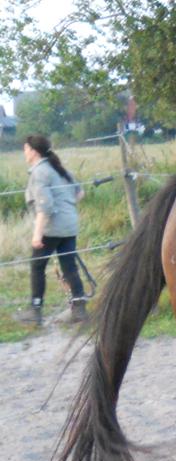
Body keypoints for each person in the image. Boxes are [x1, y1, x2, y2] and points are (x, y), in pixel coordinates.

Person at [17, 134, 87, 326]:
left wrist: (37, 234)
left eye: (25, 149)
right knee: (69, 267)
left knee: (37, 266)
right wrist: (66, 206)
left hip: (51, 227)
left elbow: (45, 206)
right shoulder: (60, 170)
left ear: (33, 151)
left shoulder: (40, 173)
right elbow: (79, 193)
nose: (24, 152)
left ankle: (35, 309)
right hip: (69, 225)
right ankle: (80, 310)